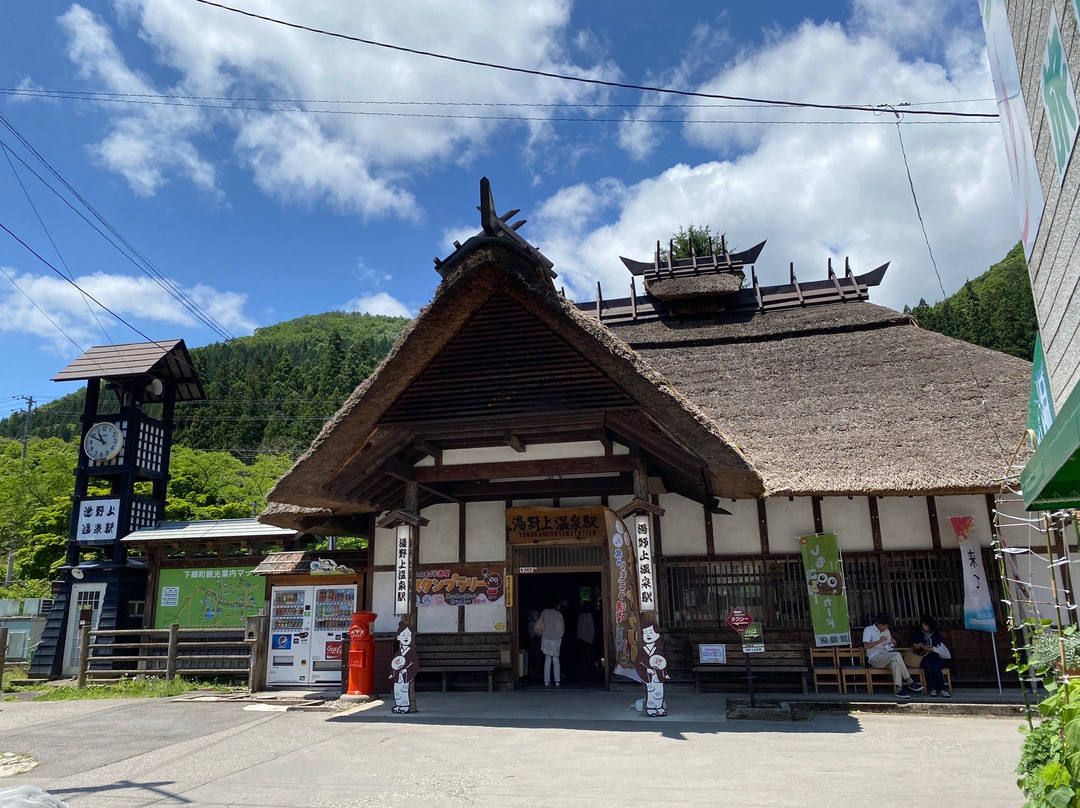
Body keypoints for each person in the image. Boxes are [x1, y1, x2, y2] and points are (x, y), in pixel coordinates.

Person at [862, 613, 923, 700]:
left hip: (887, 655)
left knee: (895, 662)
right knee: (897, 655)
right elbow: (866, 646)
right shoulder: (868, 630)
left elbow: (889, 648)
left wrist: (892, 643)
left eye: (887, 625)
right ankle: (909, 680)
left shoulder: (887, 631)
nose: (885, 628)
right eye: (884, 625)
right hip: (874, 658)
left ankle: (899, 689)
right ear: (878, 623)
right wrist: (879, 641)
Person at [911, 615, 951, 698]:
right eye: (924, 625)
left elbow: (935, 647)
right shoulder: (919, 632)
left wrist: (923, 646)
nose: (925, 627)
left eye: (927, 625)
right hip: (923, 656)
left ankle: (942, 689)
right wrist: (919, 646)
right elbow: (915, 644)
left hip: (936, 655)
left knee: (936, 666)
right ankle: (932, 689)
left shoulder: (936, 633)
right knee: (928, 666)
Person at [539, 599, 565, 687]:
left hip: (546, 638)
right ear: (556, 605)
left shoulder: (544, 612)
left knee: (547, 660)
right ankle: (557, 681)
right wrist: (560, 637)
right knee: (556, 659)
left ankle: (547, 681)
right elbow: (561, 628)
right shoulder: (559, 614)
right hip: (556, 639)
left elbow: (540, 624)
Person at [577, 602, 597, 680]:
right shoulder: (589, 617)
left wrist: (578, 637)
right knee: (587, 659)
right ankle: (586, 675)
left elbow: (578, 628)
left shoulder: (580, 617)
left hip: (581, 639)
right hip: (588, 640)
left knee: (582, 658)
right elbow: (592, 629)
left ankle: (581, 675)